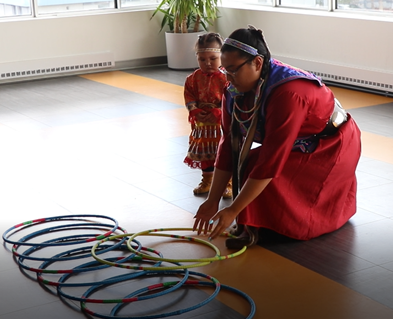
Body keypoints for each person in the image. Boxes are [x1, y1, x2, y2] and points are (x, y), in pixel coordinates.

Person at [193, 25, 361, 249]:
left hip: (332, 144)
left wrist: (233, 210)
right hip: (299, 142)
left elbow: (271, 159)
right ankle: (256, 225)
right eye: (225, 70)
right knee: (248, 163)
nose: (228, 78)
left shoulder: (289, 92)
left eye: (233, 70)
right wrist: (212, 201)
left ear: (258, 63)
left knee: (259, 166)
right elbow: (228, 146)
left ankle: (272, 227)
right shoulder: (233, 90)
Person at [184, 32, 232, 199]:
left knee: (224, 153)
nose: (208, 63)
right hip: (202, 125)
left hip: (222, 125)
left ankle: (228, 183)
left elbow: (232, 98)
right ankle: (207, 181)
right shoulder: (192, 78)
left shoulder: (228, 78)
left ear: (222, 57)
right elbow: (189, 95)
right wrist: (195, 110)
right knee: (206, 154)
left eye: (213, 58)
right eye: (202, 60)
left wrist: (219, 111)